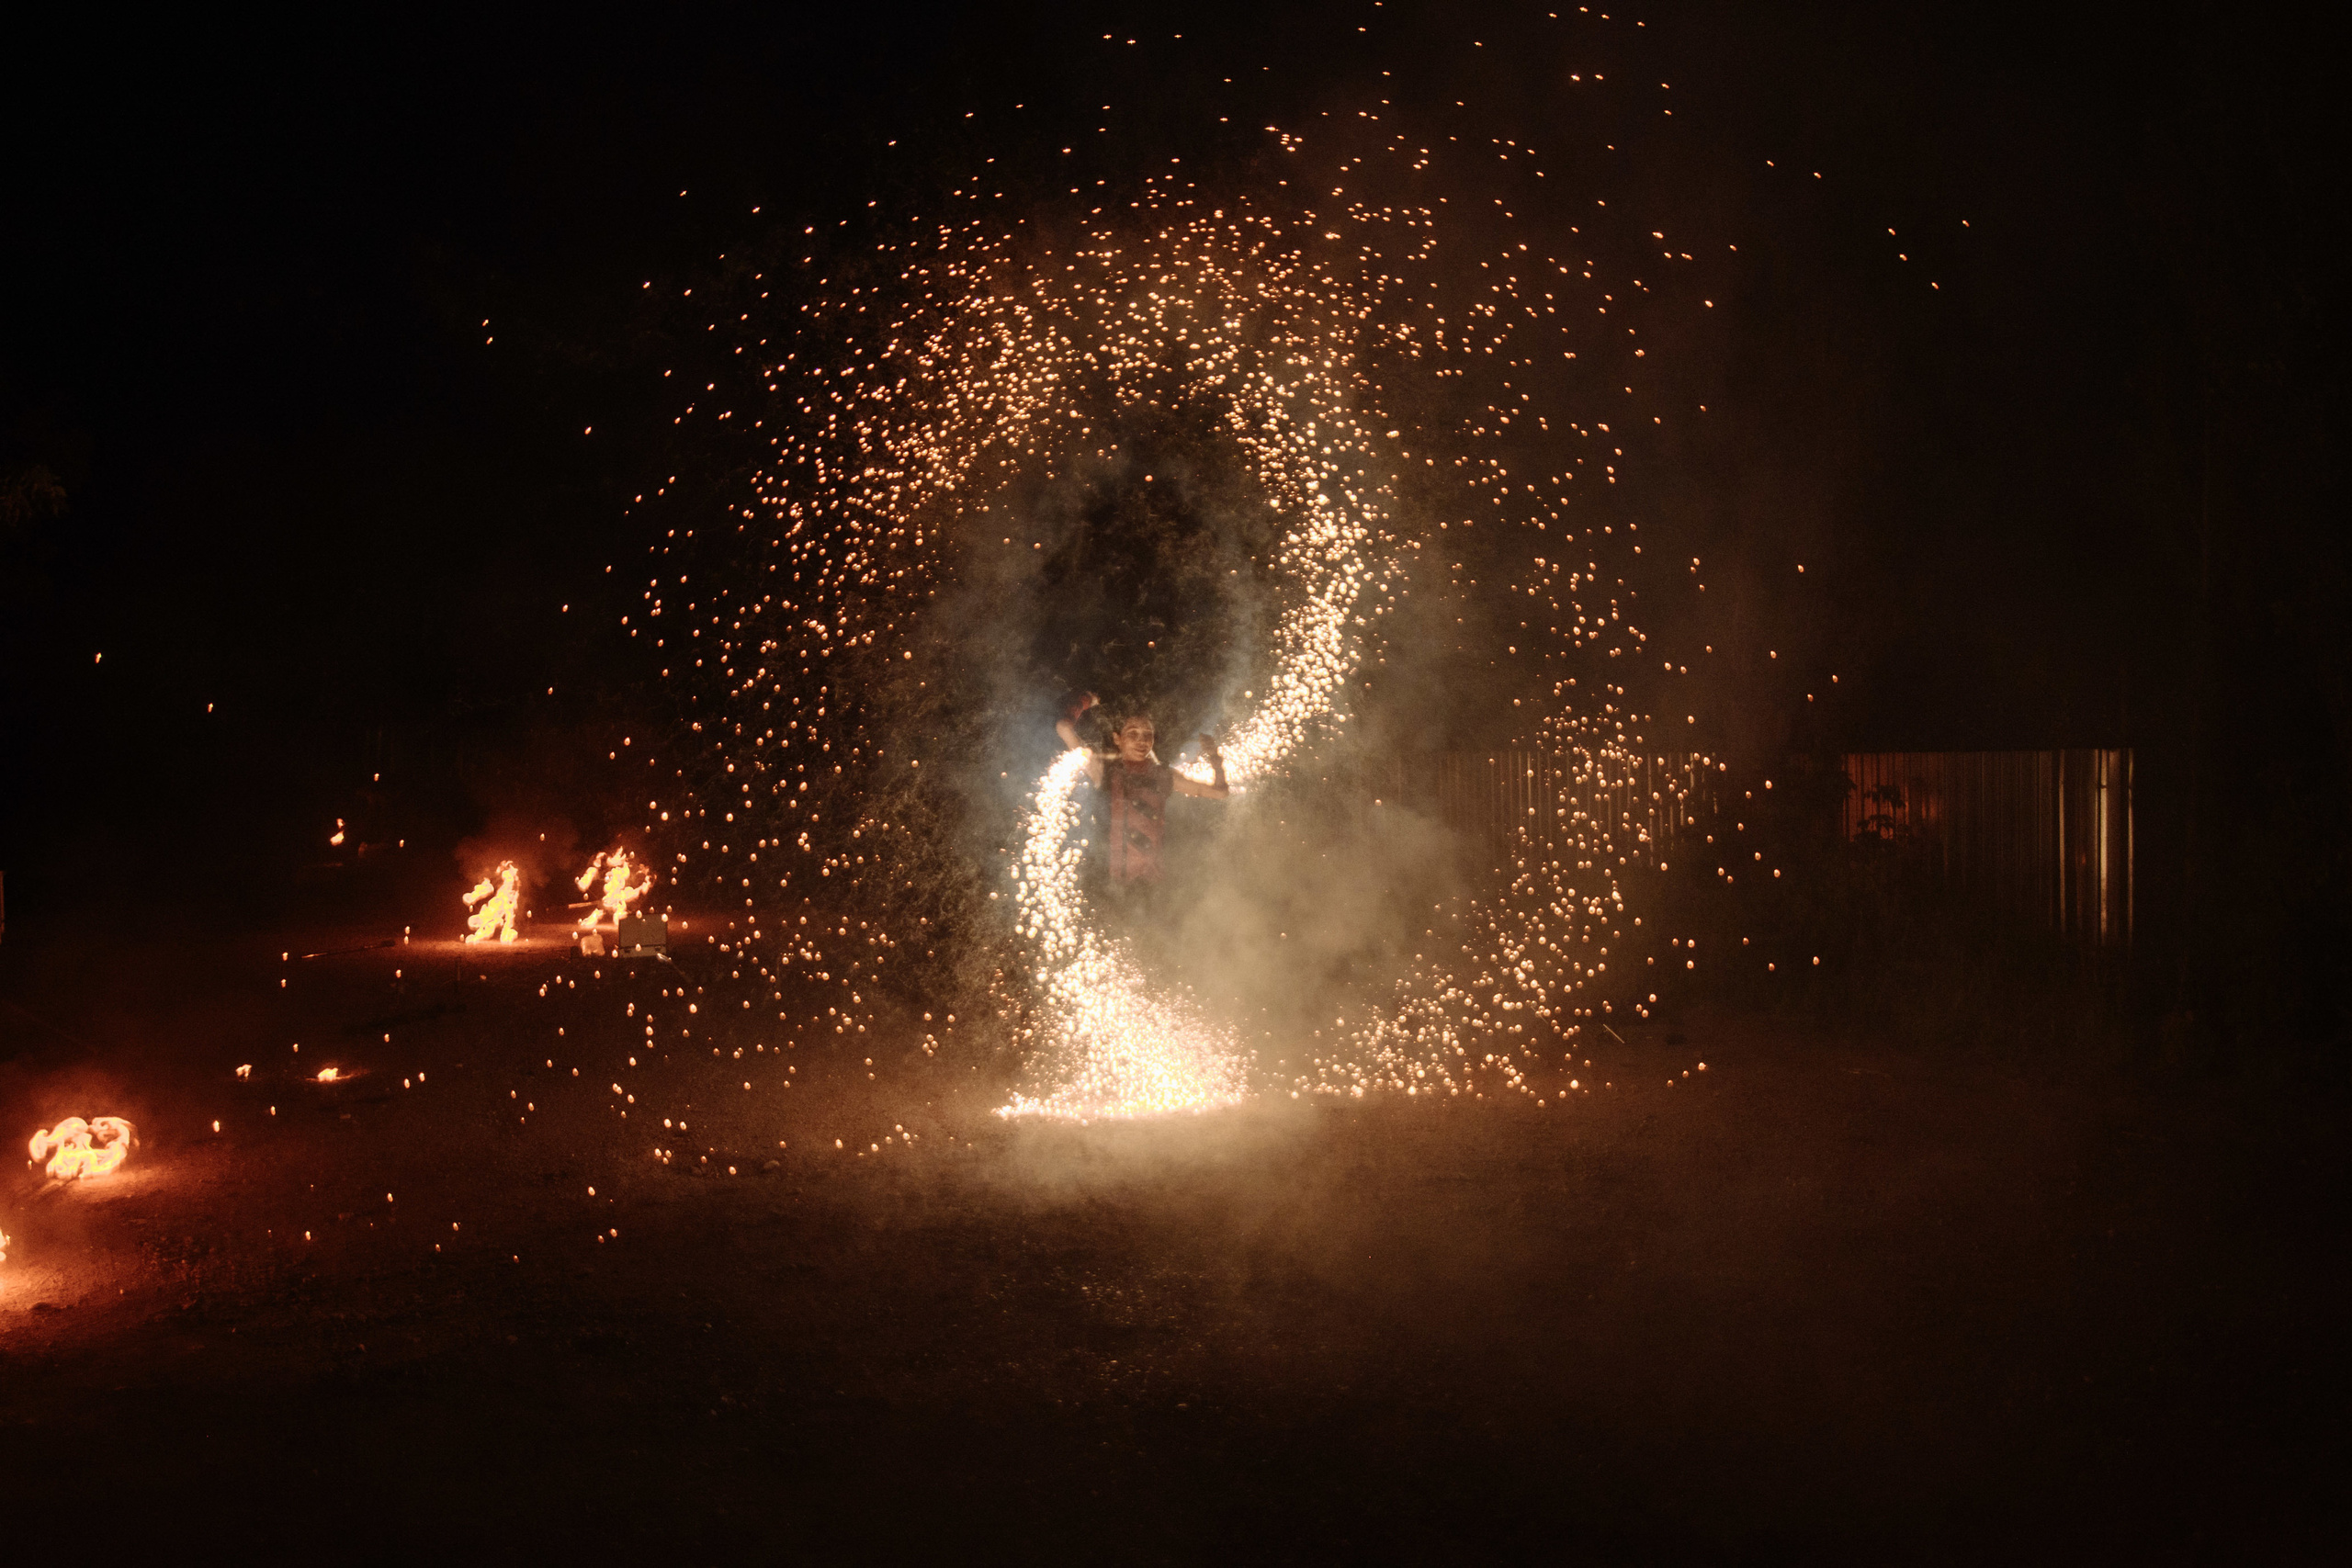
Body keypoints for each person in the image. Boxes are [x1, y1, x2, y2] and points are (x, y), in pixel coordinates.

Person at [1056, 693, 1227, 911]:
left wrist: (1215, 757)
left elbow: (1220, 793)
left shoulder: (1164, 776)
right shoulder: (1104, 770)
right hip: (1109, 888)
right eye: (1133, 734)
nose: (1142, 741)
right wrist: (1086, 700)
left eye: (1148, 734)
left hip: (1153, 891)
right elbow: (1063, 728)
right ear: (1117, 739)